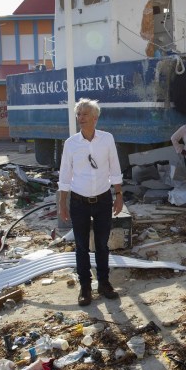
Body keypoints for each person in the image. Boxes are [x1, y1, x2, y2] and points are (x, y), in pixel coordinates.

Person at [58, 98, 124, 307]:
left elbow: (114, 167)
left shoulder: (107, 139)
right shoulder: (71, 144)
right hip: (79, 201)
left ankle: (104, 283)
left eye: (85, 114)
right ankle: (85, 286)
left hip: (103, 199)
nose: (81, 118)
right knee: (81, 246)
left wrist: (119, 194)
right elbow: (65, 174)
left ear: (95, 118)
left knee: (102, 245)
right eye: (78, 114)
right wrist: (62, 203)